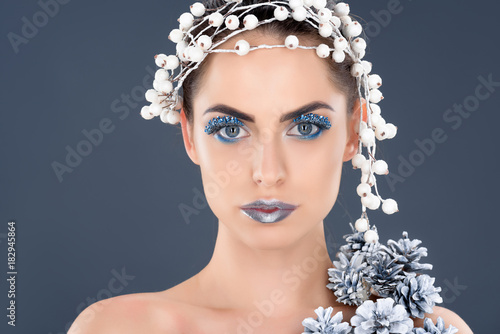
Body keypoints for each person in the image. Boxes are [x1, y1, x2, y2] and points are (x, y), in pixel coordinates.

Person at [69, 1, 473, 333]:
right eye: (229, 128)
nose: (267, 172)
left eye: (306, 126)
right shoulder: (117, 328)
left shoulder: (426, 328)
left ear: (353, 132)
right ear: (189, 135)